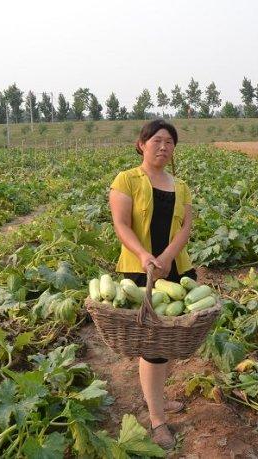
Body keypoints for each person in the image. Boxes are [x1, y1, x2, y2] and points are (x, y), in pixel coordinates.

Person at [108, 119, 197, 450]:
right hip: (140, 271)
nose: (163, 146)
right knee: (153, 346)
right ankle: (158, 419)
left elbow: (185, 228)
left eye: (170, 142)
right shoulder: (126, 180)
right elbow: (121, 225)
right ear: (141, 144)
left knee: (168, 342)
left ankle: (156, 399)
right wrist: (146, 256)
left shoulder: (181, 186)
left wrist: (169, 256)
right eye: (157, 140)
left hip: (174, 271)